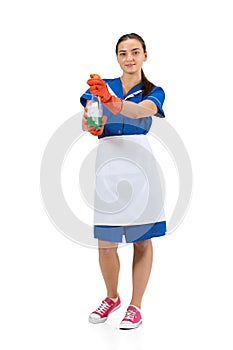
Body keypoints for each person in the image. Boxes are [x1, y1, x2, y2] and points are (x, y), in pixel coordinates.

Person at [80, 33, 166, 330]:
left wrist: (113, 103)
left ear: (145, 55)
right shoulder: (102, 86)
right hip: (108, 166)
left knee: (142, 241)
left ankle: (135, 306)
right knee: (106, 243)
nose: (128, 58)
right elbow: (87, 120)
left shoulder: (153, 90)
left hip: (140, 165)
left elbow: (144, 111)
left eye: (134, 52)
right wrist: (93, 120)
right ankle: (112, 297)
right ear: (117, 57)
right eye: (122, 53)